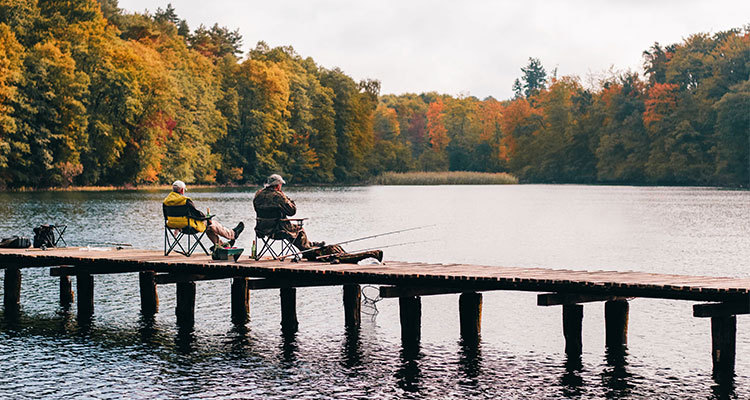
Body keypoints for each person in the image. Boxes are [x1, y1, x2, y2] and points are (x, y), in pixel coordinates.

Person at [253, 174, 382, 263]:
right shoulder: (278, 196)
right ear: (277, 186)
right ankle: (308, 249)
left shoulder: (258, 195)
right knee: (299, 230)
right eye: (281, 185)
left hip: (262, 230)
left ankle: (310, 247)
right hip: (278, 230)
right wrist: (287, 198)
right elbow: (292, 211)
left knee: (295, 232)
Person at [163, 180, 244, 249]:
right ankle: (233, 234)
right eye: (184, 190)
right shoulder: (185, 200)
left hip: (173, 226)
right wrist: (206, 218)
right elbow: (196, 213)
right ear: (181, 190)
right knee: (212, 224)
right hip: (188, 226)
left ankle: (220, 245)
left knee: (209, 227)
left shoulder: (166, 201)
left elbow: (165, 217)